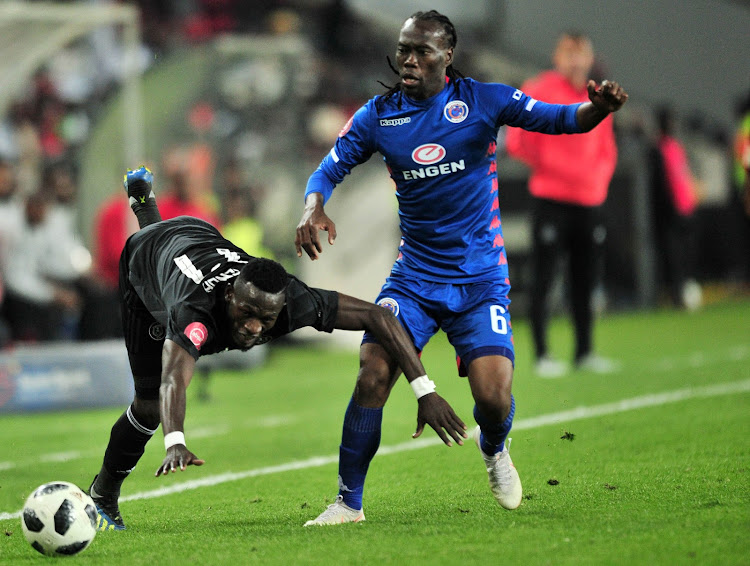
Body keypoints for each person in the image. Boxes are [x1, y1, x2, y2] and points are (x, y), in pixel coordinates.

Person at [295, 11, 627, 524]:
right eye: (404, 48)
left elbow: (561, 119)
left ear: (446, 56)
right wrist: (313, 205)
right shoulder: (379, 116)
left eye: (421, 51)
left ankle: (494, 449)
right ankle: (347, 502)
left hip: (479, 280)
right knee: (372, 373)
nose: (409, 59)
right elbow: (328, 167)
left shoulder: (484, 100)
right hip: (414, 279)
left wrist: (596, 110)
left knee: (493, 399)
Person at [88, 166, 465, 531]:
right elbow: (174, 377)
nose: (253, 327)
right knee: (149, 406)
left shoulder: (292, 299)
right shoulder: (194, 311)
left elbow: (379, 317)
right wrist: (175, 440)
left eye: (265, 319)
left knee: (168, 247)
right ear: (229, 294)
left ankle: (146, 205)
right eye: (246, 312)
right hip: (146, 269)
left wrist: (424, 390)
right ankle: (102, 495)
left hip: (197, 234)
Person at [504, 31, 619, 378]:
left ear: (590, 57)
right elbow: (516, 140)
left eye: (581, 53)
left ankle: (584, 352)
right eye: (569, 53)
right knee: (544, 278)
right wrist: (551, 166)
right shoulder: (538, 88)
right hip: (550, 198)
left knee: (585, 280)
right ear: (557, 56)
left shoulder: (598, 96)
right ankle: (542, 355)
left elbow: (607, 150)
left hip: (588, 201)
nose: (575, 60)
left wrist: (596, 182)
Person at [648, 106, 702, 310]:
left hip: (685, 210)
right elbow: (661, 186)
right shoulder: (656, 150)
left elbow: (683, 177)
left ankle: (684, 290)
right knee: (672, 256)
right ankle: (676, 295)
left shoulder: (676, 147)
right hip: (670, 214)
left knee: (686, 255)